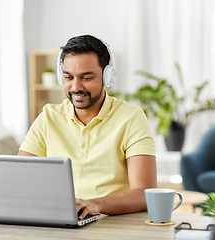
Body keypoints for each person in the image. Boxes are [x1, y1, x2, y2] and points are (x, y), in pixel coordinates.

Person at [18, 35, 156, 220]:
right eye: (68, 77)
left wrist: (94, 205)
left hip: (113, 222)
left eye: (87, 77)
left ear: (107, 76)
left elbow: (144, 193)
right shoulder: (48, 117)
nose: (76, 87)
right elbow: (19, 178)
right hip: (61, 221)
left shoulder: (131, 117)